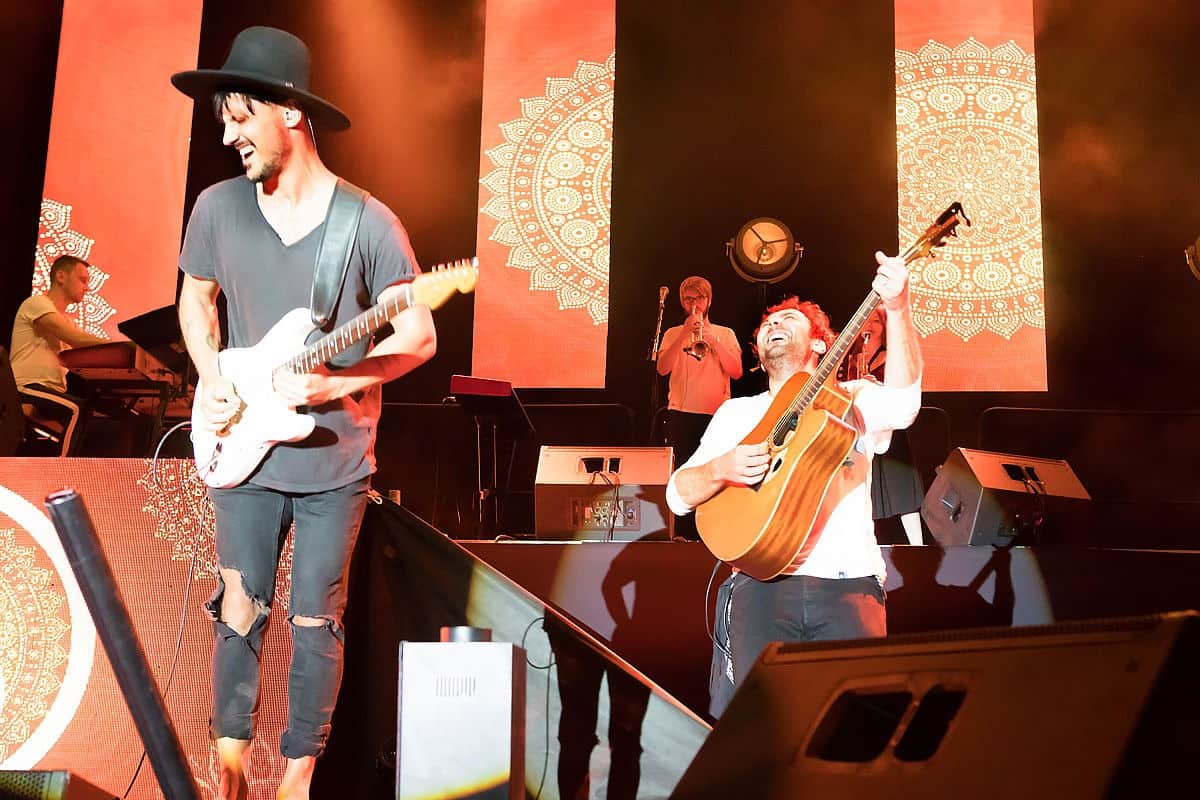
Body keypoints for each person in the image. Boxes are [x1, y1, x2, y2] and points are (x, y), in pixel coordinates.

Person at [171, 27, 437, 800]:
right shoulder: (217, 207)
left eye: (240, 118)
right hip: (240, 448)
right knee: (238, 608)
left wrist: (341, 382)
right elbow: (195, 301)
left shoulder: (369, 222)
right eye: (224, 120)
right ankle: (228, 775)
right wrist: (212, 373)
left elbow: (418, 335)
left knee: (317, 618)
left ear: (289, 111)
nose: (228, 136)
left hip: (334, 459)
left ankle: (298, 777)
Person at [665, 252, 921, 718]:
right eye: (767, 324)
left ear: (821, 343)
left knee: (853, 732)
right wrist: (721, 468)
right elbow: (676, 496)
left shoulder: (853, 398)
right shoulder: (736, 413)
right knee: (758, 732)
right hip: (759, 588)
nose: (773, 325)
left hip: (849, 589)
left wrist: (899, 308)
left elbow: (904, 405)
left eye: (788, 319)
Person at [656, 276, 742, 539]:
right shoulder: (673, 334)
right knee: (685, 473)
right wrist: (684, 333)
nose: (694, 303)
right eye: (688, 299)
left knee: (717, 474)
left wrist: (712, 340)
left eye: (699, 298)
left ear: (709, 301)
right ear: (682, 303)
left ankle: (716, 532)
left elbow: (736, 371)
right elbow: (662, 369)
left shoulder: (725, 333)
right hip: (681, 414)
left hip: (716, 415)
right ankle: (684, 534)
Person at [840, 304, 926, 545]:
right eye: (865, 320)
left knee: (901, 486)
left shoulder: (891, 358)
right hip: (859, 430)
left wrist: (875, 386)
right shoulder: (847, 358)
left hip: (889, 430)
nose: (869, 325)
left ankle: (918, 546)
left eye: (876, 321)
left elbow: (901, 393)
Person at [9, 255, 108, 452]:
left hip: (49, 392)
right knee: (77, 409)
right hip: (24, 387)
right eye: (82, 280)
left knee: (99, 420)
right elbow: (75, 339)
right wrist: (126, 345)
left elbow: (85, 351)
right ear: (61, 276)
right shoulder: (37, 303)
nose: (87, 288)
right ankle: (65, 467)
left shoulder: (69, 322)